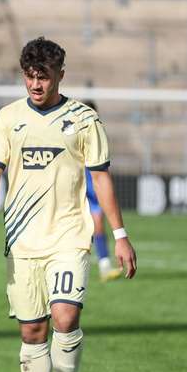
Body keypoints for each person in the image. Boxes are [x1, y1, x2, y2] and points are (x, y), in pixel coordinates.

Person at [0, 37, 137, 372]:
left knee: (65, 318)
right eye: (29, 76)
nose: (35, 84)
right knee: (32, 332)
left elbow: (101, 178)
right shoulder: (8, 118)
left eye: (43, 76)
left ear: (60, 74)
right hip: (23, 241)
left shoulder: (84, 120)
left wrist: (120, 235)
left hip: (69, 237)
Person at [82, 102, 123, 282]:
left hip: (94, 188)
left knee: (98, 224)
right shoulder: (72, 134)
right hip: (78, 189)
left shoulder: (98, 134)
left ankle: (104, 266)